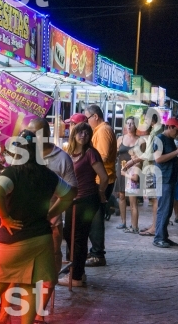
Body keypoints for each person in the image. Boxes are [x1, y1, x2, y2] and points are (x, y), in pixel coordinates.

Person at [0, 130, 77, 324]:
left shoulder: (13, 172)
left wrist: (5, 217)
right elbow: (69, 194)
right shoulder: (48, 175)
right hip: (40, 240)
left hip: (12, 240)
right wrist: (51, 214)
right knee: (30, 288)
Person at [59, 122, 108, 287]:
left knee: (78, 237)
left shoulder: (90, 153)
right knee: (70, 235)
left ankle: (76, 276)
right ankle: (77, 272)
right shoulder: (69, 153)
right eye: (80, 132)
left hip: (86, 200)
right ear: (74, 134)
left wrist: (100, 193)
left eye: (87, 133)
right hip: (71, 200)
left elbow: (104, 177)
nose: (83, 135)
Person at [84, 104, 117, 267]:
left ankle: (98, 254)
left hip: (102, 180)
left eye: (87, 118)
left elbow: (102, 157)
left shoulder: (103, 131)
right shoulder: (101, 130)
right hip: (99, 179)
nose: (86, 121)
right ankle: (95, 252)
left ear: (95, 116)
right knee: (94, 217)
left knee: (96, 218)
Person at [152, 118, 178, 248]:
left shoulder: (170, 140)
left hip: (170, 177)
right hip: (163, 178)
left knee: (168, 209)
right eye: (177, 130)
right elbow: (158, 158)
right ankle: (159, 238)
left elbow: (170, 158)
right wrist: (177, 152)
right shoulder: (159, 139)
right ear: (170, 127)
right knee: (164, 209)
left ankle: (164, 236)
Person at [115, 116, 141, 232]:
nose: (129, 125)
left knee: (133, 200)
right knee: (121, 195)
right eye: (128, 123)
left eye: (132, 123)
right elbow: (115, 153)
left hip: (133, 170)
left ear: (136, 126)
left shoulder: (140, 140)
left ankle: (134, 225)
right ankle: (123, 222)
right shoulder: (120, 138)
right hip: (121, 169)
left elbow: (142, 157)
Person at [120, 148, 143, 233]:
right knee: (132, 206)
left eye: (133, 156)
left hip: (133, 186)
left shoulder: (137, 165)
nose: (131, 157)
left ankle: (135, 227)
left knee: (133, 206)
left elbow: (135, 178)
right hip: (131, 186)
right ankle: (133, 225)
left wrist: (125, 174)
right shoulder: (135, 164)